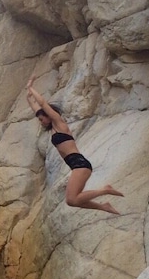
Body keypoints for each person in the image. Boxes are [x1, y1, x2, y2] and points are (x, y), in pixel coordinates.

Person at [26, 78, 122, 215]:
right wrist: (28, 93)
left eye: (42, 119)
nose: (41, 122)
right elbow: (35, 106)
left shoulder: (59, 123)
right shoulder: (53, 128)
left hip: (80, 164)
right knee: (72, 201)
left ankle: (105, 190)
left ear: (49, 115)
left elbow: (41, 103)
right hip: (77, 166)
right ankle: (104, 206)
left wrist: (31, 88)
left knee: (72, 199)